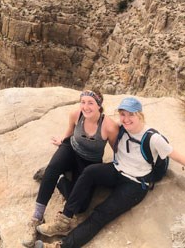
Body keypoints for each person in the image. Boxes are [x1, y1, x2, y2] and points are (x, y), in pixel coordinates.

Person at [34, 96, 185, 248]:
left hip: (135, 184)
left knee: (100, 214)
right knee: (89, 172)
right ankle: (64, 220)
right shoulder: (121, 127)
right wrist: (64, 140)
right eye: (123, 114)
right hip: (116, 170)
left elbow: (176, 155)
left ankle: (61, 246)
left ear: (140, 114)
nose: (126, 119)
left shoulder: (154, 138)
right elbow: (101, 125)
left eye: (131, 114)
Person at [22, 89, 119, 248]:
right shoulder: (76, 114)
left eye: (90, 103)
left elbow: (117, 151)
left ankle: (60, 179)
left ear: (99, 105)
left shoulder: (108, 126)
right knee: (53, 168)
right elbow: (69, 134)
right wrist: (61, 140)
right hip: (70, 150)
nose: (86, 107)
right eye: (83, 102)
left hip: (90, 163)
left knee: (81, 207)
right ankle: (36, 218)